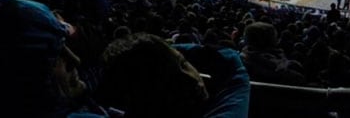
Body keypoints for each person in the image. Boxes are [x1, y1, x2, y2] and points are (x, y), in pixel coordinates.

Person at [95, 33, 250, 118]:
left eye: (183, 64)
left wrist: (160, 49)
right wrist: (167, 48)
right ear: (140, 98)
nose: (190, 79)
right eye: (170, 80)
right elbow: (230, 59)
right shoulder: (227, 110)